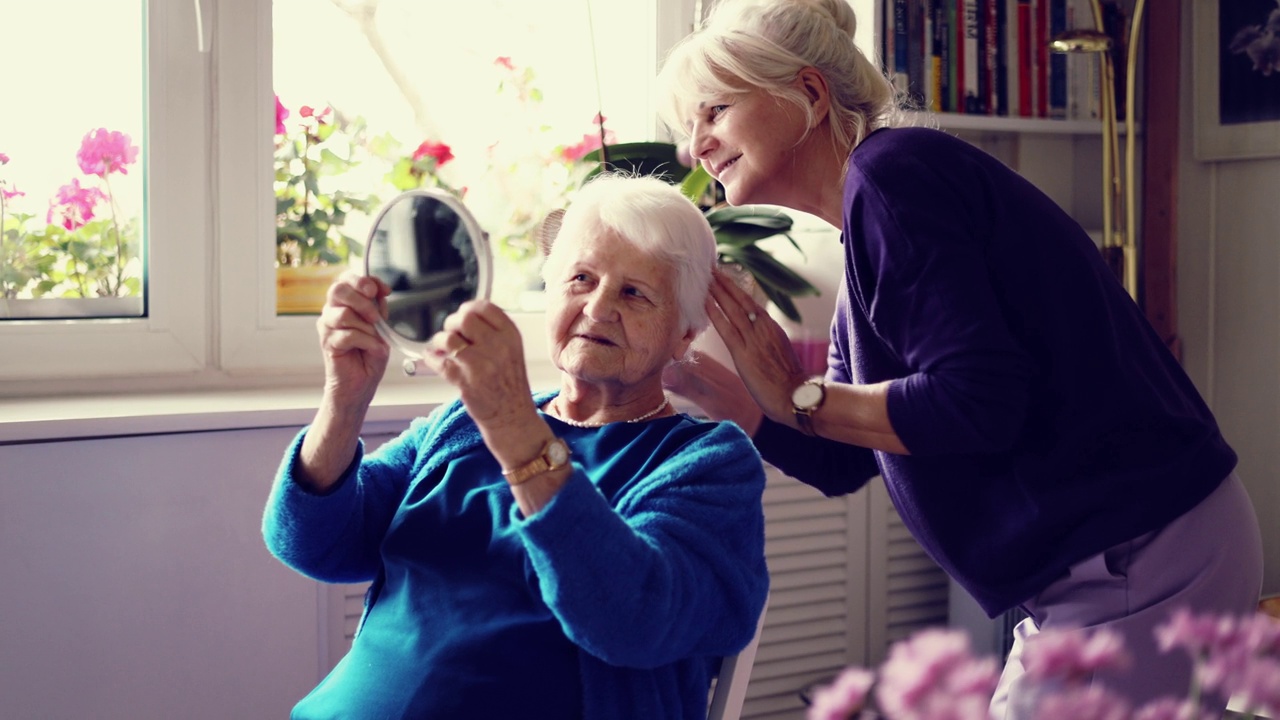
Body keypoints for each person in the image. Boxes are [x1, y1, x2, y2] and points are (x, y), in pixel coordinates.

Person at [655, 0, 1262, 715]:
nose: (696, 148)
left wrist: (795, 392)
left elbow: (979, 402)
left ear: (809, 96)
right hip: (1118, 561)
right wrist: (741, 402)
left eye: (714, 112)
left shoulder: (894, 178)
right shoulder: (871, 213)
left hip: (1143, 554)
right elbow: (850, 455)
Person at [261, 173, 770, 719]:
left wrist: (514, 430)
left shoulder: (706, 463)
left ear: (686, 332)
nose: (597, 309)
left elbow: (632, 618)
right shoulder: (463, 422)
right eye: (581, 278)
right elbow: (314, 543)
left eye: (634, 293)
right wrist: (345, 400)